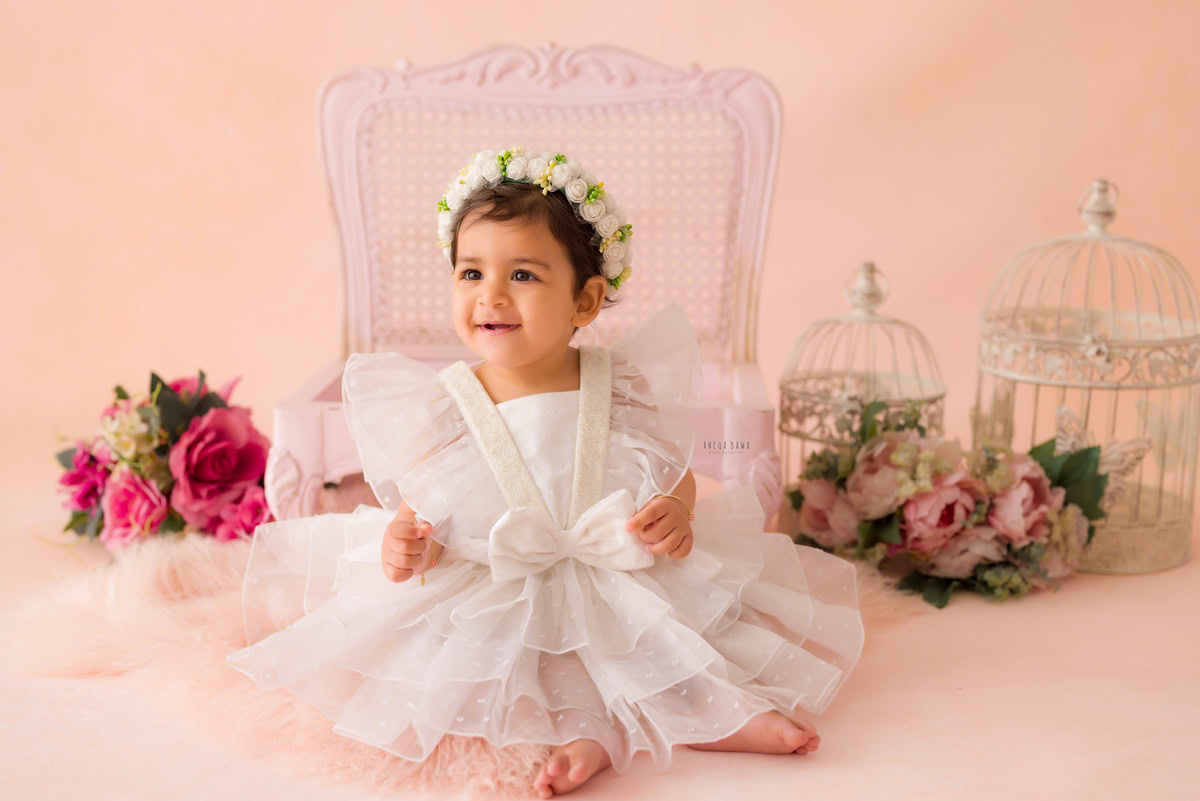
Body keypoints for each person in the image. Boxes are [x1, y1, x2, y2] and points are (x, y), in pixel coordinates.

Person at [226, 146, 865, 798]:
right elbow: (426, 506)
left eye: (523, 275)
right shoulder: (445, 402)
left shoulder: (619, 382)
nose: (491, 295)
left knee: (663, 636)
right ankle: (587, 740)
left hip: (616, 564)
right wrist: (407, 543)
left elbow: (667, 466)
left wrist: (675, 506)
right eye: (470, 273)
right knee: (509, 660)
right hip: (496, 574)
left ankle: (726, 713)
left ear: (584, 301)